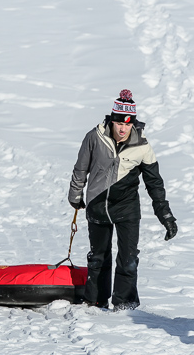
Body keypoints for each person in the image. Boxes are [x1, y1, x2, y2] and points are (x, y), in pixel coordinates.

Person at [68, 90, 178, 310]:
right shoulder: (95, 137)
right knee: (98, 258)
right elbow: (81, 168)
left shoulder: (142, 146)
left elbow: (155, 183)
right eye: (119, 123)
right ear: (112, 120)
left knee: (128, 259)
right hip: (98, 204)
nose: (122, 129)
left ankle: (125, 305)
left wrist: (165, 215)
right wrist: (75, 194)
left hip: (127, 208)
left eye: (127, 124)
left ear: (132, 124)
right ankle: (96, 302)